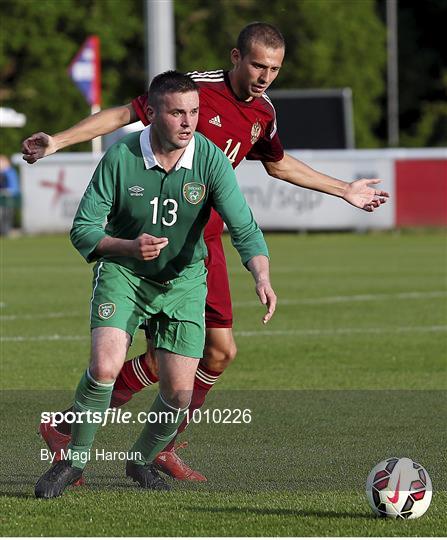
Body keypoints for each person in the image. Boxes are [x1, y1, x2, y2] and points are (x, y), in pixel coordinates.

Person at [23, 22, 389, 482]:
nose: (264, 76)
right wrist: (57, 140)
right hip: (153, 240)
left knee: (215, 354)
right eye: (258, 64)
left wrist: (342, 190)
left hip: (202, 245)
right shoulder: (193, 92)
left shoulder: (263, 112)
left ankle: (147, 442)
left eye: (274, 69)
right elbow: (121, 117)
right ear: (236, 58)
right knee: (180, 354)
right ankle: (90, 433)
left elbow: (277, 164)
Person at [34, 70, 276, 499]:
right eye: (177, 112)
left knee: (180, 394)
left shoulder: (210, 160)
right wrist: (127, 246)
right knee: (105, 366)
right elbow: (83, 229)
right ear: (152, 113)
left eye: (195, 112)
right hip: (123, 275)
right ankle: (72, 461)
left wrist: (261, 274)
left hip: (184, 282)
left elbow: (245, 227)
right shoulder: (120, 156)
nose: (188, 122)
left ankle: (141, 460)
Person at [0, 155, 20, 236]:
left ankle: (6, 231)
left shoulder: (10, 172)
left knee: (8, 215)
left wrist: (7, 191)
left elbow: (14, 187)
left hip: (8, 198)